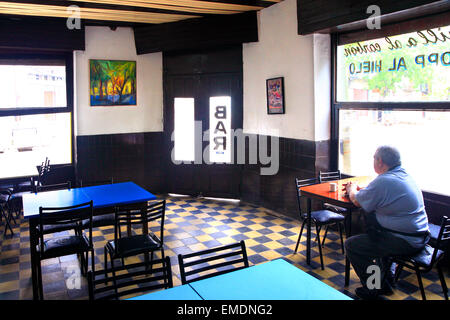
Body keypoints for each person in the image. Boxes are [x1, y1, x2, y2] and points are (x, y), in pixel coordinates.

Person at [344, 145, 429, 300]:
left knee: (354, 245)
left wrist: (352, 189)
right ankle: (386, 280)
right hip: (419, 236)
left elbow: (356, 200)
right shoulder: (404, 175)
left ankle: (373, 287)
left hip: (404, 240)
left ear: (380, 161)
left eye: (374, 158)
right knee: (378, 237)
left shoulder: (384, 180)